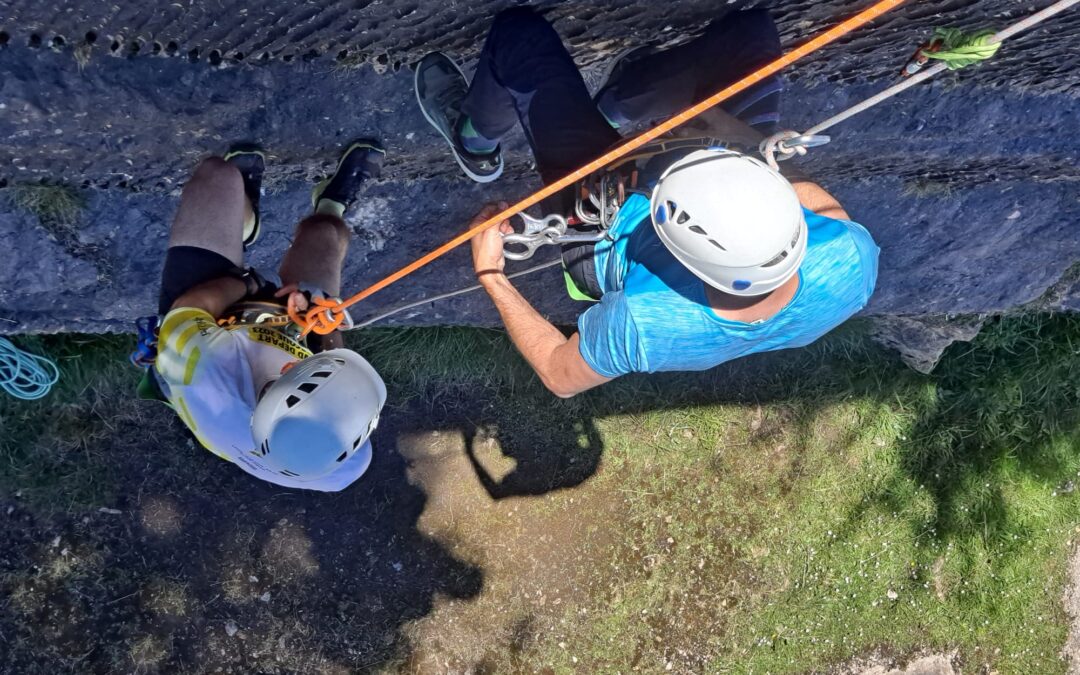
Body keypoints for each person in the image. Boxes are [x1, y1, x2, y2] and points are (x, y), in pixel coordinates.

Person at [415, 7, 879, 398]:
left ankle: (475, 140)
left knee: (520, 39)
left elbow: (561, 376)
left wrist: (491, 275)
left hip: (604, 224)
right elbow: (820, 205)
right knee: (750, 36)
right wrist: (728, 132)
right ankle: (615, 107)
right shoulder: (851, 263)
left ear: (674, 243)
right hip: (726, 153)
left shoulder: (645, 324)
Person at [138, 141, 387, 491]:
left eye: (298, 364)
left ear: (287, 372)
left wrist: (250, 283)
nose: (291, 360)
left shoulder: (202, 373)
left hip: (206, 318)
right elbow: (332, 361)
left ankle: (241, 219)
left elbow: (193, 304)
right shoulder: (340, 461)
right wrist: (322, 315)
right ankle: (330, 203)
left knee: (217, 177)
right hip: (259, 344)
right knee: (325, 236)